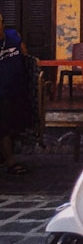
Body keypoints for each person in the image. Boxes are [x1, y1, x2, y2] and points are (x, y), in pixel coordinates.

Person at [0, 13, 31, 174]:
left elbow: (25, 56)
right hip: (1, 92)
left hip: (16, 89)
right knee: (3, 128)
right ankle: (11, 161)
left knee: (15, 124)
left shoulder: (13, 36)